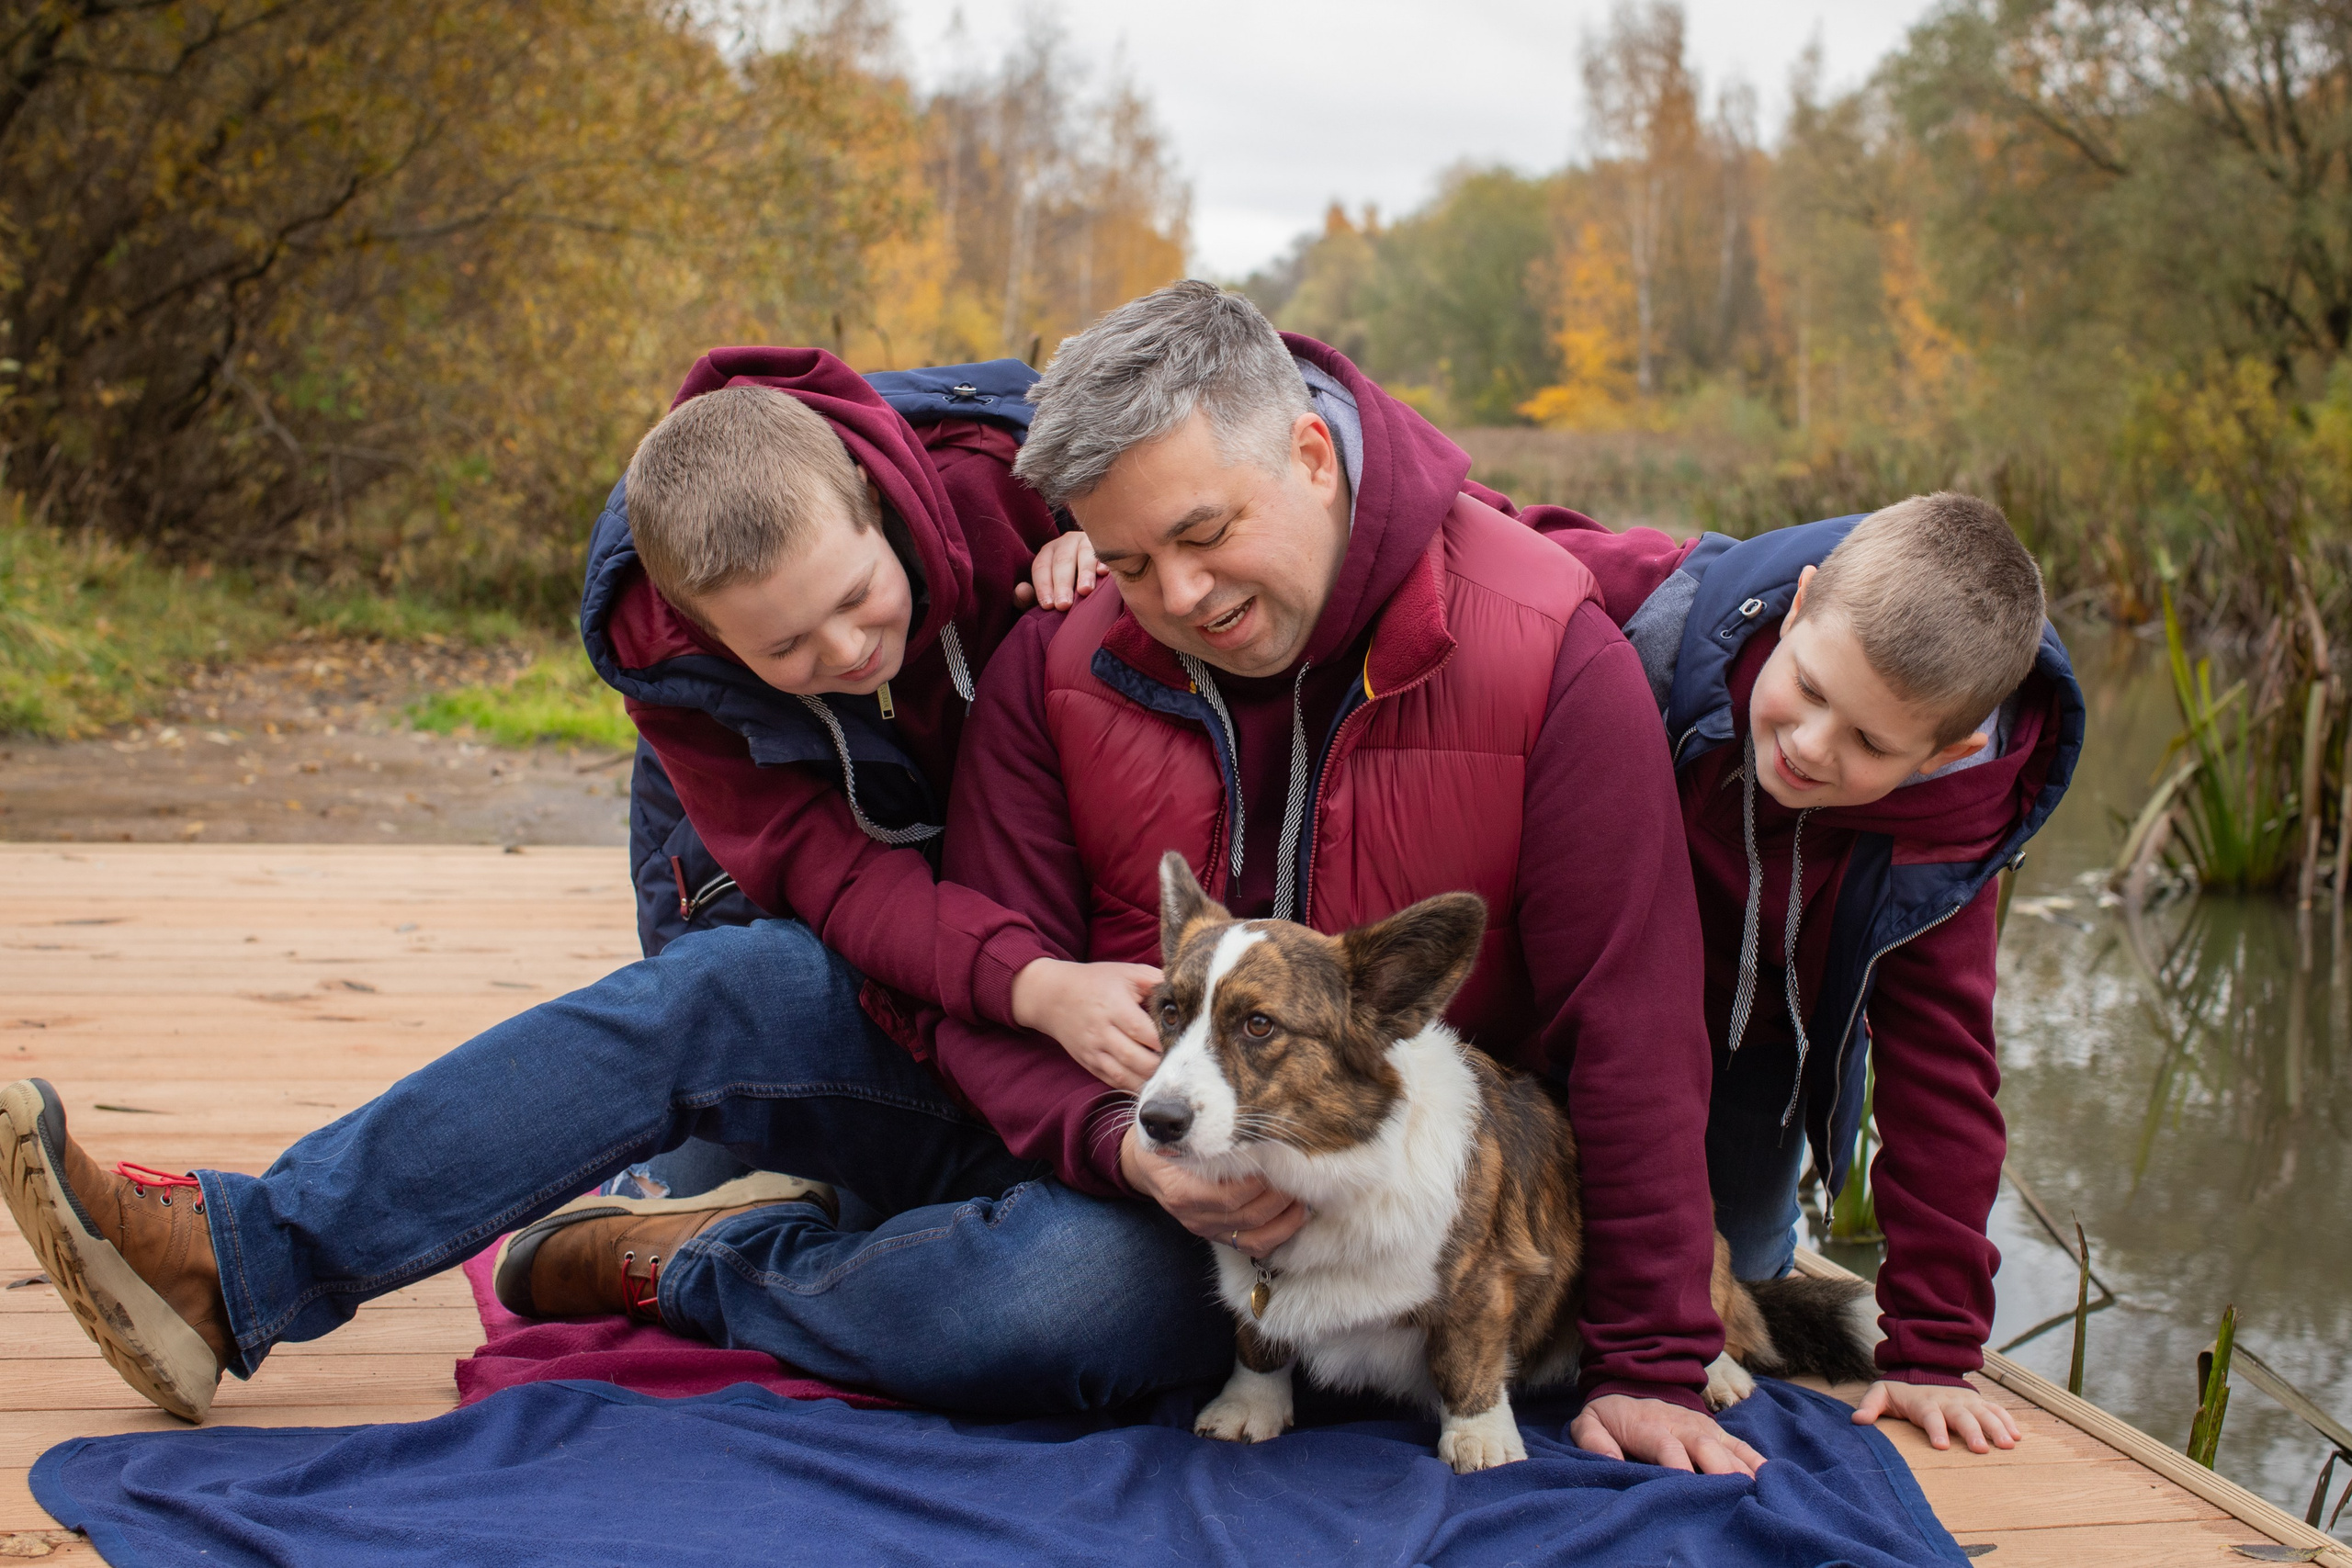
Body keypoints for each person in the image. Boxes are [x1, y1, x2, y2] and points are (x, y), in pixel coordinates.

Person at [0, 348, 1193, 1426]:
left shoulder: (1047, 505)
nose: (839, 654)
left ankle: (696, 1250)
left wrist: (1102, 544)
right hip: (940, 1006)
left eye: (852, 599)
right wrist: (1032, 987)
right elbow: (832, 883)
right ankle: (238, 1255)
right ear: (705, 631)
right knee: (732, 979)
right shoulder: (681, 670)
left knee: (1078, 1300)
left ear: (876, 504)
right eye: (782, 647)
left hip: (1125, 1066)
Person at [918, 279, 1761, 1475]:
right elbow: (991, 986)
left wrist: (1651, 1361)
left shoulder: (1553, 653)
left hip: (1430, 1210)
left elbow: (1631, 1025)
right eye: (1128, 562)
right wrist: (1124, 1153)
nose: (1180, 598)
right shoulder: (1049, 665)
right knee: (1066, 1297)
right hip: (1154, 1188)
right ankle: (711, 1262)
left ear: (1312, 454)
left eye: (1206, 535)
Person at [1538, 496, 2085, 1455]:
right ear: (1794, 613)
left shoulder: (1944, 840)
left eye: (1871, 745)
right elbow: (1477, 533)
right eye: (1809, 688)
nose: (1809, 747)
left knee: (1738, 1292)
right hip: (1564, 1002)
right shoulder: (1658, 610)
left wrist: (1932, 1353)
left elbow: (1943, 1083)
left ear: (1945, 754)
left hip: (1751, 1054)